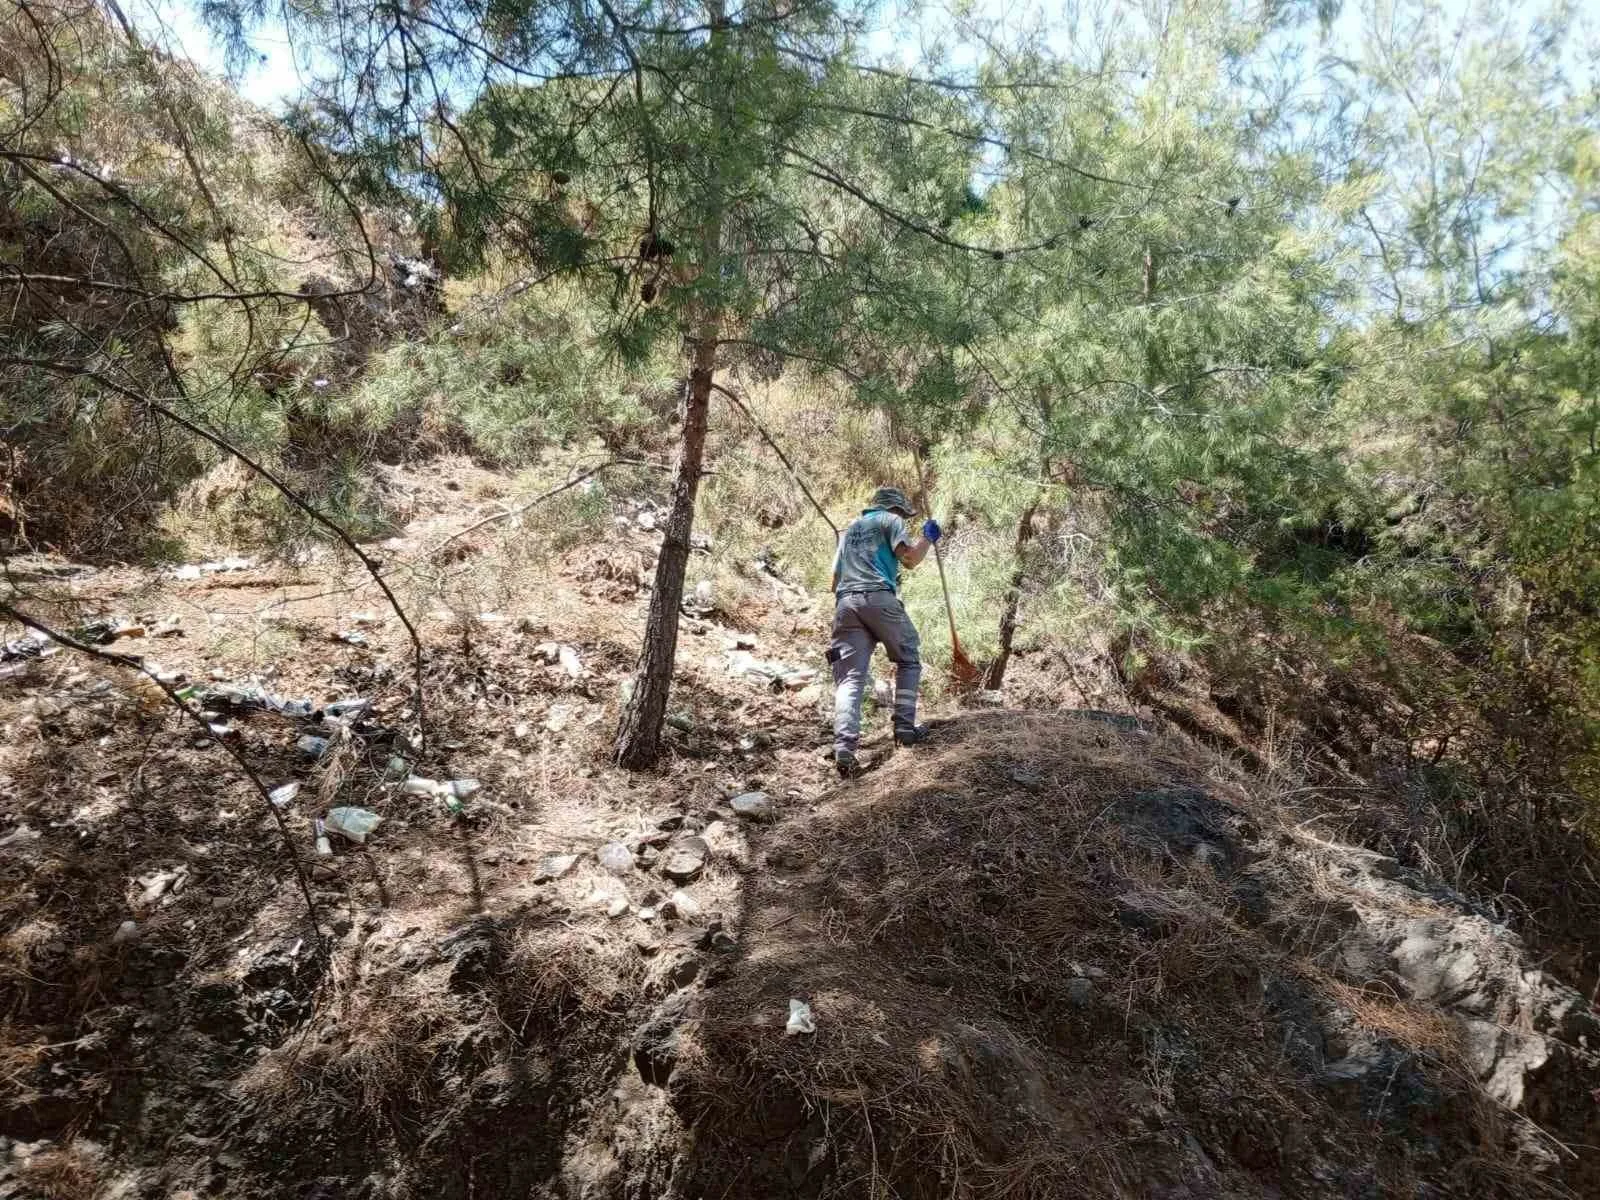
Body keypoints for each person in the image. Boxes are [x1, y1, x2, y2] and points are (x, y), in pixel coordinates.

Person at [827, 485, 942, 777]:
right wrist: (927, 539)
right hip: (878, 597)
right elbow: (910, 560)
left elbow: (834, 581)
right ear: (895, 509)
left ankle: (845, 747)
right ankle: (904, 728)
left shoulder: (849, 531)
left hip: (845, 605)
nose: (904, 517)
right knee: (908, 657)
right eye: (903, 513)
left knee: (849, 679)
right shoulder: (891, 521)